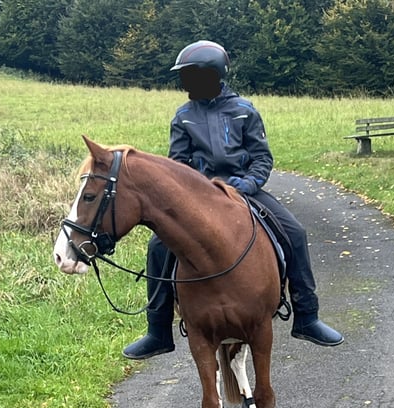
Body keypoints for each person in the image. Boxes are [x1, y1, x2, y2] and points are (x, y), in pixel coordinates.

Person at [123, 40, 344, 360]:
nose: (184, 83)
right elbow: (178, 164)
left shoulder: (244, 110)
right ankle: (157, 330)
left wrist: (247, 184)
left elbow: (261, 159)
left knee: (295, 232)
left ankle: (307, 317)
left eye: (188, 75)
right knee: (158, 246)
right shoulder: (183, 117)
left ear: (211, 74)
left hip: (245, 191)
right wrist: (194, 193)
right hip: (199, 199)